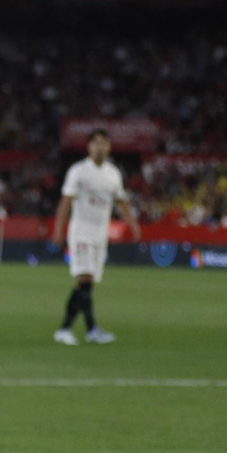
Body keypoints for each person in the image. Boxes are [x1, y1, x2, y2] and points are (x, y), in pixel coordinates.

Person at [51, 128, 141, 345]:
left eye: (104, 143)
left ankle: (65, 329)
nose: (100, 147)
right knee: (86, 277)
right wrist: (58, 229)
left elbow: (121, 201)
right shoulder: (79, 171)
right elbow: (66, 201)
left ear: (109, 147)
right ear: (88, 147)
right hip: (81, 230)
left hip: (101, 234)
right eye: (96, 143)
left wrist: (134, 225)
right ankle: (91, 329)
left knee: (83, 283)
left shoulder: (113, 173)